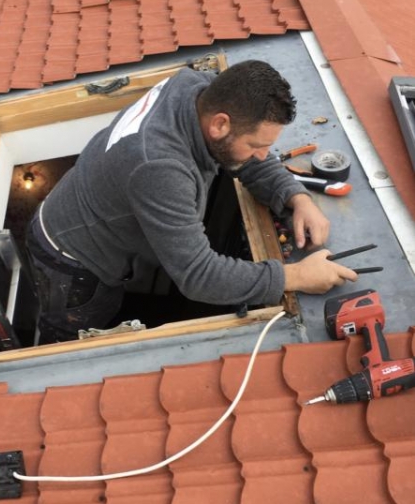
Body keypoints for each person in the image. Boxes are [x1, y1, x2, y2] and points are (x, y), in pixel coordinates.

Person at [26, 60, 358, 344]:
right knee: (81, 334)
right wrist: (296, 276)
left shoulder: (198, 87)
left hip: (81, 209)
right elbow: (198, 275)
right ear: (220, 125)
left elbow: (247, 158)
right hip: (71, 263)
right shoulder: (158, 166)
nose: (263, 155)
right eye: (256, 144)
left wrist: (295, 195)